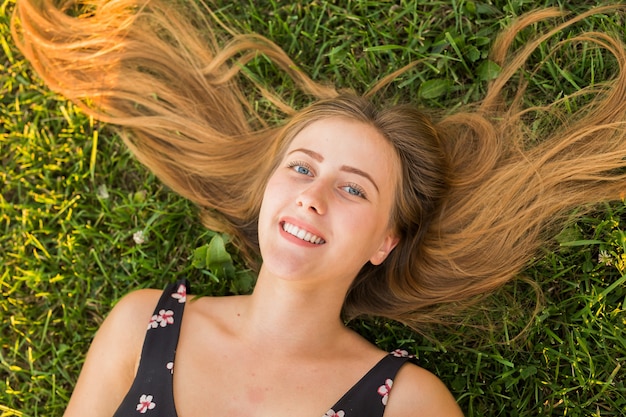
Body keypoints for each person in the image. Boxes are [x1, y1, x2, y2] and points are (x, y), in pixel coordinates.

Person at [11, 0, 626, 415]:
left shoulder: (405, 403)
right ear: (270, 191)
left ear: (384, 241)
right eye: (302, 167)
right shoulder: (142, 328)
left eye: (354, 188)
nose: (313, 193)